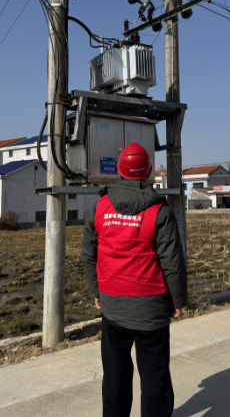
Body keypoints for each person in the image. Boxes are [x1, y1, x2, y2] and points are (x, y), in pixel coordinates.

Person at [81, 142, 188, 417]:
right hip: (150, 311)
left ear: (119, 169)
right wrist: (178, 301)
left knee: (115, 375)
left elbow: (88, 254)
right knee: (155, 378)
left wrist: (97, 290)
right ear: (149, 171)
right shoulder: (160, 212)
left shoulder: (100, 207)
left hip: (113, 308)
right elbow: (172, 262)